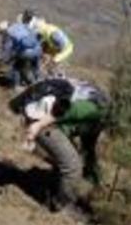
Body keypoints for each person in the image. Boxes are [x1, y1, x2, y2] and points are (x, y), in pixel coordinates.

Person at [12, 77, 108, 212]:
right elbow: (63, 112)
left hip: (55, 122)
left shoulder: (99, 120)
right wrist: (35, 128)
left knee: (71, 158)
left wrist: (96, 181)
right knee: (73, 167)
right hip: (43, 119)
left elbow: (88, 150)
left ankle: (54, 186)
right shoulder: (95, 110)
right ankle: (60, 206)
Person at [0, 20, 43, 88]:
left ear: (4, 30)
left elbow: (7, 50)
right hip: (38, 48)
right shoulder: (19, 25)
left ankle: (16, 85)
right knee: (34, 67)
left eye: (1, 32)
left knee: (16, 67)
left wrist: (1, 61)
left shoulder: (9, 34)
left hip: (26, 52)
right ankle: (39, 82)